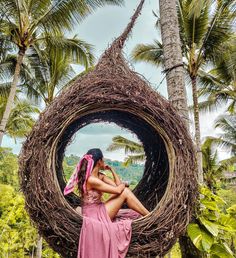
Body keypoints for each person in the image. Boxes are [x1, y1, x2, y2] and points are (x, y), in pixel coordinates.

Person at [63, 148, 150, 258]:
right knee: (126, 192)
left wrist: (112, 170)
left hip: (99, 208)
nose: (104, 163)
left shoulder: (100, 176)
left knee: (125, 194)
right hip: (94, 214)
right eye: (103, 160)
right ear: (99, 162)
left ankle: (148, 214)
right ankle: (150, 215)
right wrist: (125, 184)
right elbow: (119, 190)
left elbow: (117, 185)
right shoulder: (91, 180)